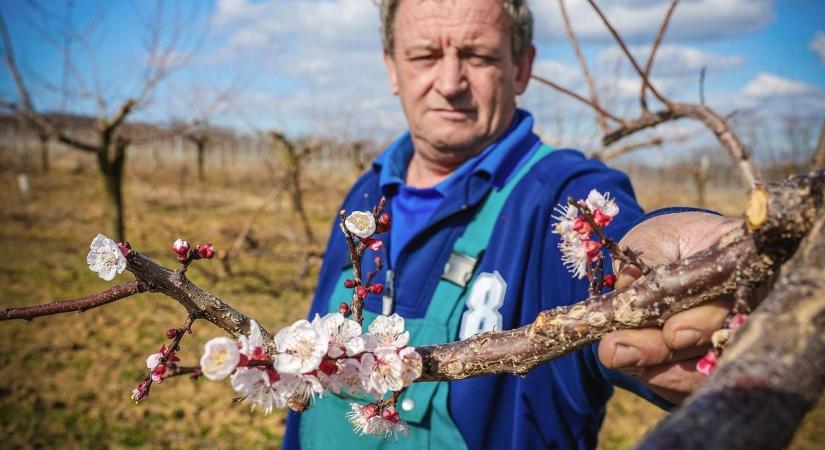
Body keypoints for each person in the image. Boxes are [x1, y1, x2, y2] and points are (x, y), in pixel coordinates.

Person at [283, 0, 739, 448]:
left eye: (477, 56)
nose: (449, 83)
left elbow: (625, 251)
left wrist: (684, 271)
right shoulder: (365, 197)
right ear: (391, 68)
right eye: (424, 56)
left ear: (522, 67)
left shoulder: (560, 197)